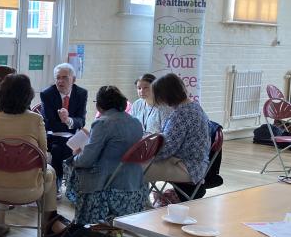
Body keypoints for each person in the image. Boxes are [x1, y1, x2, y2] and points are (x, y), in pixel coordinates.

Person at [0, 74, 64, 237]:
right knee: (49, 171)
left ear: (0, 94)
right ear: (28, 96)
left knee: (1, 167)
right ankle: (48, 225)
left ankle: (0, 222)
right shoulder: (35, 120)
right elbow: (44, 154)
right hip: (29, 189)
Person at [67, 86, 145, 224]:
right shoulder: (136, 122)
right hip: (135, 183)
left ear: (99, 105)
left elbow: (86, 160)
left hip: (109, 183)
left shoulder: (102, 123)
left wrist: (75, 157)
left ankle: (83, 223)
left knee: (72, 165)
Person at [145, 73, 211, 201]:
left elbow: (166, 150)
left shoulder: (181, 114)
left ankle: (139, 207)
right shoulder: (194, 107)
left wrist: (144, 151)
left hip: (188, 168)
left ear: (166, 95)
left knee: (133, 168)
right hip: (196, 164)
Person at [40, 63, 88, 195]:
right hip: (53, 135)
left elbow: (81, 121)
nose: (60, 81)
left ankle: (76, 186)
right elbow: (49, 123)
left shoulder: (81, 93)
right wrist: (71, 123)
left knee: (87, 149)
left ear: (73, 79)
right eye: (57, 77)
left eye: (65, 78)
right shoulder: (47, 94)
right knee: (58, 149)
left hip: (73, 135)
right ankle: (58, 186)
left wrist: (68, 120)